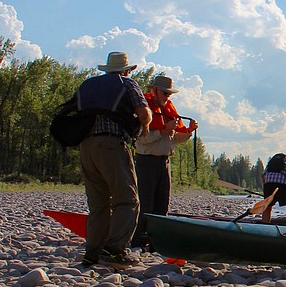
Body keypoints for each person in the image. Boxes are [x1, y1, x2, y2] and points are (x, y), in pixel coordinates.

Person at [76, 51, 151, 268]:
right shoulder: (127, 83)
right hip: (112, 144)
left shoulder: (87, 85)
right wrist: (144, 126)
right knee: (127, 200)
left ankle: (93, 253)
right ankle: (115, 250)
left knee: (98, 204)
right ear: (127, 70)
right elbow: (144, 114)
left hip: (86, 146)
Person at [132, 74, 197, 248]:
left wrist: (189, 132)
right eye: (165, 93)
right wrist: (163, 131)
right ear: (154, 91)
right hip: (146, 161)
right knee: (145, 202)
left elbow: (174, 139)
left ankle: (156, 241)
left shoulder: (167, 111)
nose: (168, 97)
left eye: (169, 94)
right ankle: (138, 240)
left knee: (162, 202)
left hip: (164, 162)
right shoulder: (144, 111)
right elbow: (140, 139)